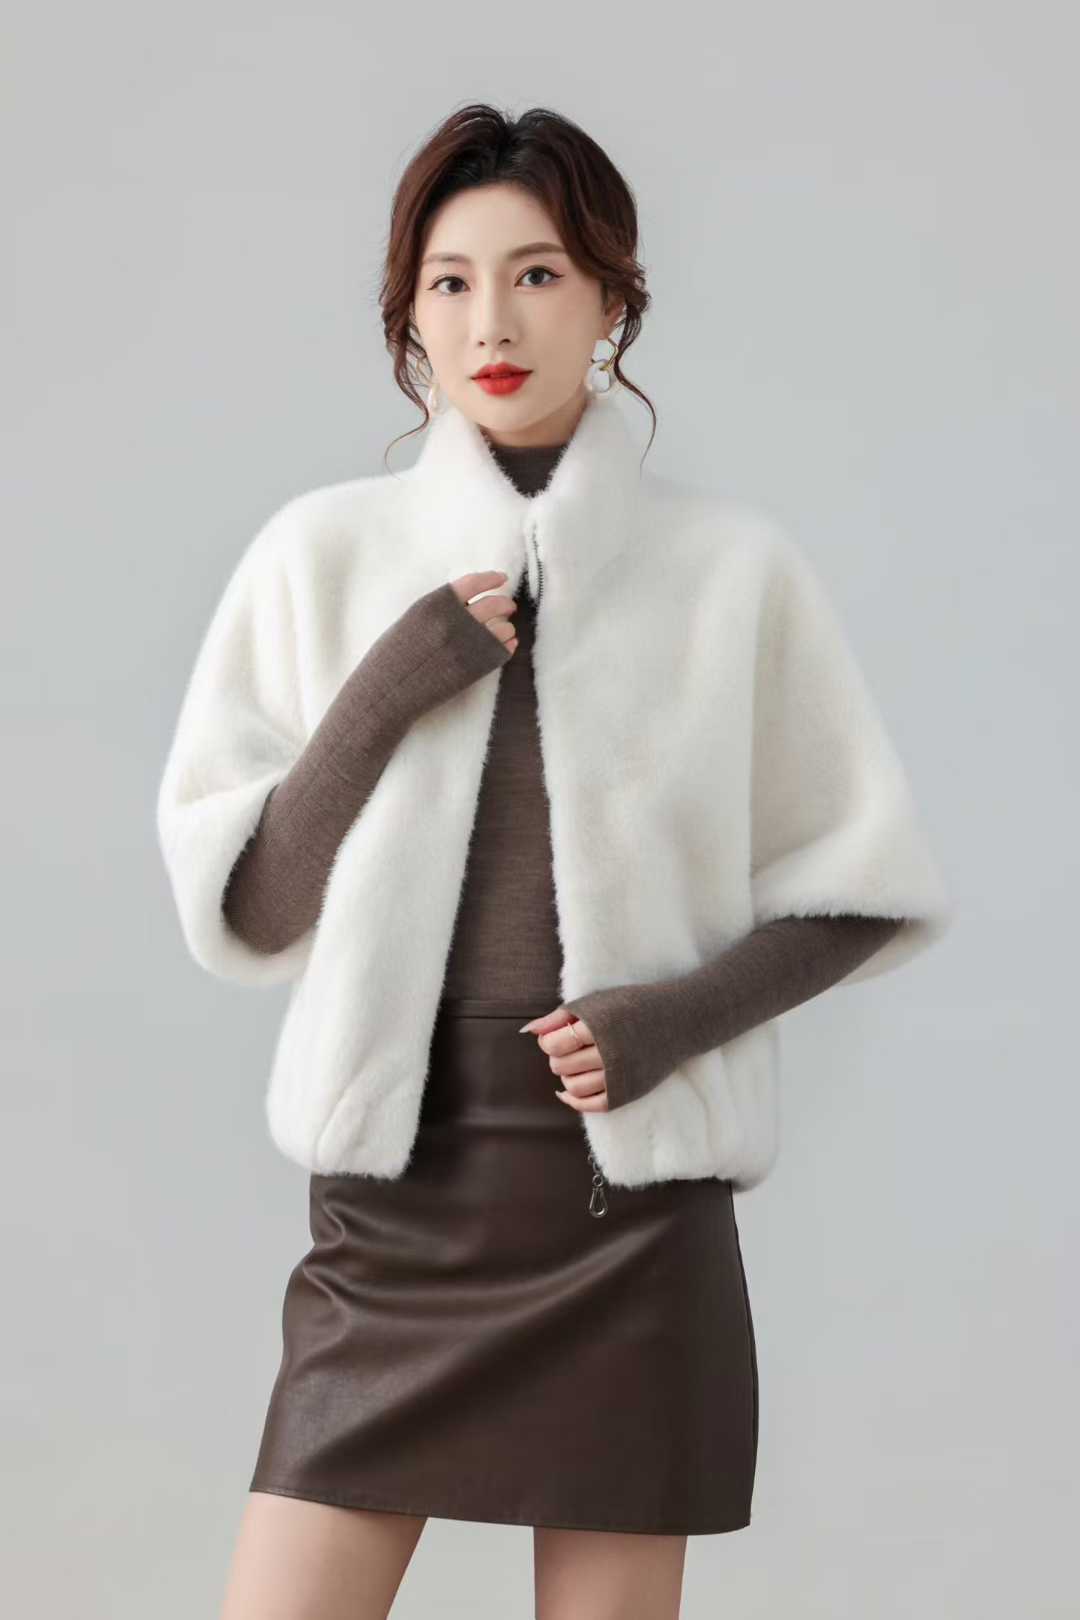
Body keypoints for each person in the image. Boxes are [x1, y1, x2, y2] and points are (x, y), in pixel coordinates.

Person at [156, 104, 950, 1620]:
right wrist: (390, 684)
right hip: (397, 1197)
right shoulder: (319, 558)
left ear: (611, 300)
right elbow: (249, 906)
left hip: (624, 1207)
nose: (493, 323)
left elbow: (863, 886)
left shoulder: (731, 573)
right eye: (449, 284)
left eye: (537, 275)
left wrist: (672, 1021)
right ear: (408, 318)